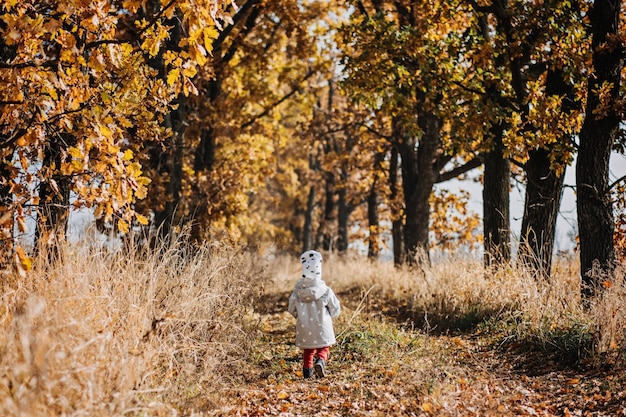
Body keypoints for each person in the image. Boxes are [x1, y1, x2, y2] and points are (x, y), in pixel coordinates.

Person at [288, 250, 341, 379]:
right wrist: (333, 314)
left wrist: (299, 317)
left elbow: (291, 308)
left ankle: (307, 372)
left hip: (305, 326)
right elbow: (335, 307)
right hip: (323, 325)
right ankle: (320, 361)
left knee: (308, 350)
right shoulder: (325, 290)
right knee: (324, 347)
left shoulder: (297, 292)